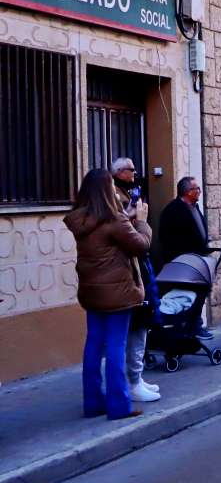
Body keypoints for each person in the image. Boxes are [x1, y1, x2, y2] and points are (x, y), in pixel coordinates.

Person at [65, 168, 152, 420]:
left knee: (93, 344)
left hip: (92, 291)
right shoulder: (114, 220)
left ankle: (92, 403)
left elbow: (109, 235)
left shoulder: (82, 220)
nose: (115, 190)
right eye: (112, 187)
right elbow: (141, 245)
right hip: (118, 292)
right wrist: (143, 221)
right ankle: (118, 405)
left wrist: (128, 217)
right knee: (116, 345)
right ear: (106, 190)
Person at [110, 159, 159, 404]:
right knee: (131, 329)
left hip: (132, 271)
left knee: (137, 327)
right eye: (131, 169)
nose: (135, 173)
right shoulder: (114, 198)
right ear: (118, 172)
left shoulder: (124, 194)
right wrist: (139, 220)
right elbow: (138, 242)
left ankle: (135, 378)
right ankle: (130, 383)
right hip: (126, 274)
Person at [157, 174, 212, 340]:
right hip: (182, 264)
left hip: (197, 262)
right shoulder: (173, 210)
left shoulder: (194, 207)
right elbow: (168, 239)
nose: (199, 191)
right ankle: (188, 326)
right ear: (188, 192)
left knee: (202, 290)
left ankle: (194, 324)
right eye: (196, 188)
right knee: (188, 294)